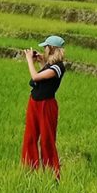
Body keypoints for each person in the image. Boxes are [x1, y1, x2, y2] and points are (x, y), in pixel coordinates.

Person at [22, 35, 67, 179]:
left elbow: (36, 77)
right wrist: (41, 62)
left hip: (46, 105)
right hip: (34, 102)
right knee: (30, 136)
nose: (44, 50)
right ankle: (30, 169)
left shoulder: (58, 67)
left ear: (51, 48)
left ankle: (52, 172)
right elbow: (43, 79)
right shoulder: (50, 65)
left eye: (45, 47)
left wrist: (29, 60)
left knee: (47, 139)